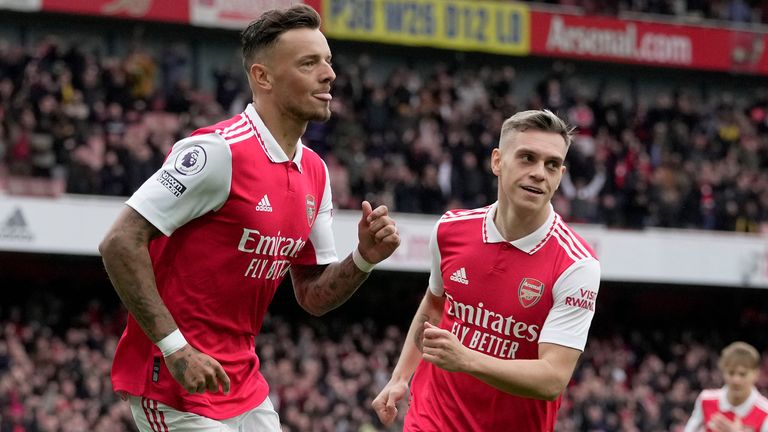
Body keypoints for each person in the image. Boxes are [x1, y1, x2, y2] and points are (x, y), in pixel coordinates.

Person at [99, 5, 400, 431]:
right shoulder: (216, 153)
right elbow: (119, 241)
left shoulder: (316, 171)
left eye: (328, 61)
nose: (329, 74)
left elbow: (312, 296)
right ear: (263, 77)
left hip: (243, 385)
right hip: (173, 385)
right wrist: (176, 349)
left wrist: (364, 258)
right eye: (309, 63)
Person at [372, 109, 601, 431]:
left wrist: (465, 359)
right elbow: (434, 305)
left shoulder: (577, 265)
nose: (539, 173)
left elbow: (552, 378)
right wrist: (400, 377)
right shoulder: (451, 229)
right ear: (497, 161)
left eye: (551, 165)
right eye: (527, 158)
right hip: (432, 418)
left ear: (561, 174)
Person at [684, 342, 768, 432]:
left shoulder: (765, 411)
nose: (736, 380)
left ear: (756, 374)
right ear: (723, 372)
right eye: (731, 373)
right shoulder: (706, 400)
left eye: (742, 374)